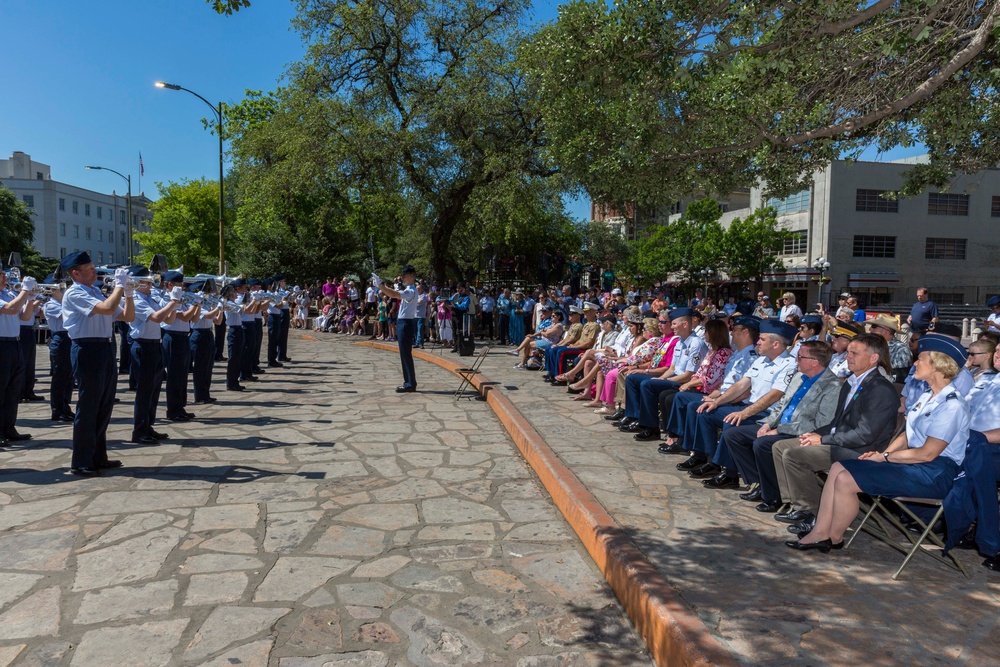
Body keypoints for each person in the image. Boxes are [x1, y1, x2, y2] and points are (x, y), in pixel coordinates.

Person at [789, 334, 970, 552]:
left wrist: (885, 458)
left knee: (846, 480)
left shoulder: (952, 405)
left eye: (920, 358)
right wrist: (882, 454)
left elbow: (928, 453)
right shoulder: (927, 397)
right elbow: (906, 436)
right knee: (839, 467)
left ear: (937, 364)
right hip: (913, 463)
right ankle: (821, 532)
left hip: (934, 472)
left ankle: (833, 537)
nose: (915, 363)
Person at [770, 334, 900, 533]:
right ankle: (798, 505)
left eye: (855, 353)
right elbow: (836, 423)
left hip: (862, 451)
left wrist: (822, 439)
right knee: (781, 447)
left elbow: (864, 435)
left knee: (795, 455)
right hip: (841, 442)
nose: (848, 357)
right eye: (848, 352)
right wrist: (813, 434)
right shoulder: (852, 382)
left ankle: (812, 513)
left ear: (873, 358)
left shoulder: (880, 389)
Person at [720, 340, 842, 506]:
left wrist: (779, 430)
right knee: (733, 435)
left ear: (814, 362)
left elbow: (820, 423)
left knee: (762, 444)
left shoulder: (833, 386)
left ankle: (773, 496)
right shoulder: (800, 376)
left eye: (800, 356)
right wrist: (768, 424)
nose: (796, 359)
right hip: (781, 426)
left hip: (800, 432)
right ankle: (763, 484)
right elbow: (782, 405)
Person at [60, 252, 135, 476]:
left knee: (104, 405)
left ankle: (98, 456)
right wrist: (119, 287)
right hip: (87, 349)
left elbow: (128, 317)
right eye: (90, 268)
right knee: (89, 406)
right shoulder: (75, 292)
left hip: (105, 347)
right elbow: (106, 309)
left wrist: (129, 293)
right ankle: (81, 460)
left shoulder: (94, 291)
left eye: (94, 267)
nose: (95, 271)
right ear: (76, 273)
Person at [129, 267, 180, 444]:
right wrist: (173, 302)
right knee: (144, 392)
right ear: (136, 282)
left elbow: (169, 320)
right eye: (147, 280)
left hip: (154, 346)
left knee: (154, 391)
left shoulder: (149, 298)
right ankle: (139, 431)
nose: (151, 283)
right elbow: (157, 318)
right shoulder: (136, 300)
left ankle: (148, 426)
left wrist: (175, 305)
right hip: (143, 346)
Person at [158, 270, 200, 422]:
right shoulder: (167, 300)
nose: (182, 287)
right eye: (178, 284)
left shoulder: (181, 300)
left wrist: (198, 304)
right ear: (170, 284)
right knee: (175, 375)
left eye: (182, 285)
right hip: (172, 337)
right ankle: (173, 410)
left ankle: (180, 406)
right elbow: (184, 317)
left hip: (183, 337)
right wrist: (193, 305)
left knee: (182, 375)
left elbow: (193, 318)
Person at [0, 269, 34, 445]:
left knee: (13, 390)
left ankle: (9, 428)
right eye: (1, 275)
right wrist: (25, 290)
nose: (6, 277)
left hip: (14, 343)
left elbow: (24, 316)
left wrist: (30, 299)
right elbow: (11, 309)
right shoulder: (7, 297)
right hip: (1, 345)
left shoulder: (7, 293)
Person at [374, 265, 419, 392]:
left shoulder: (410, 291)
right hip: (404, 322)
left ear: (411, 276)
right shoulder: (409, 289)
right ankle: (409, 381)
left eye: (404, 276)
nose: (403, 278)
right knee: (404, 354)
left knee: (405, 354)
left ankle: (410, 383)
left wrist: (381, 285)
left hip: (405, 323)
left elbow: (393, 294)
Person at [41, 279, 74, 422]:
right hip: (60, 339)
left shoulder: (62, 303)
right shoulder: (50, 305)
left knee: (69, 377)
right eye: (59, 289)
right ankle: (57, 410)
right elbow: (67, 315)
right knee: (60, 377)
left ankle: (65, 407)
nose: (63, 290)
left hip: (70, 338)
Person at [190, 281, 224, 406]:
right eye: (206, 292)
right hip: (199, 335)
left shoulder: (207, 305)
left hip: (208, 334)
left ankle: (206, 394)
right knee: (200, 367)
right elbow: (209, 315)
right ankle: (199, 395)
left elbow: (218, 321)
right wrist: (218, 307)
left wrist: (221, 309)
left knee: (208, 366)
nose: (209, 294)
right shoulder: (196, 305)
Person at [867, 313, 911, 383]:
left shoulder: (900, 350)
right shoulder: (871, 346)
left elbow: (899, 378)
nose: (870, 329)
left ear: (886, 330)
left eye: (874, 326)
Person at [18, 290, 44, 402]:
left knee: (30, 364)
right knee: (22, 364)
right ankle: (19, 393)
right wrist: (38, 299)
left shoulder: (28, 298)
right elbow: (26, 311)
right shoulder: (16, 297)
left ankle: (28, 391)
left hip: (29, 330)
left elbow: (39, 312)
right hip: (20, 330)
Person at [224, 281, 247, 392]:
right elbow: (241, 309)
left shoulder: (234, 303)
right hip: (233, 330)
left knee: (238, 357)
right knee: (233, 358)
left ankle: (235, 381)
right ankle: (231, 382)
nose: (237, 294)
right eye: (234, 292)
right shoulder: (228, 303)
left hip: (239, 329)